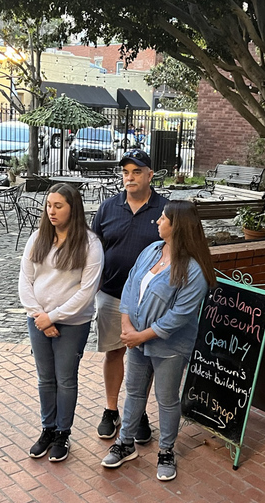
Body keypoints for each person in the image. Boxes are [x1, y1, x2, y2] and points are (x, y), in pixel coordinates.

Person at [100, 200, 216, 481]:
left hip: (169, 347)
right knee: (135, 392)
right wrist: (127, 325)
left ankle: (166, 450)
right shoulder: (151, 251)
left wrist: (141, 335)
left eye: (163, 218)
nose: (157, 221)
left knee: (166, 400)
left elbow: (178, 316)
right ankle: (125, 443)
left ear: (177, 226)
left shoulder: (193, 271)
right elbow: (129, 285)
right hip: (137, 340)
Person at [19, 183, 104, 462]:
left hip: (73, 323)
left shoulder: (90, 244)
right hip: (38, 318)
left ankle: (62, 434)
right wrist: (39, 316)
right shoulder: (38, 239)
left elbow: (86, 292)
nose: (51, 211)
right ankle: (47, 428)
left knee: (65, 379)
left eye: (59, 206)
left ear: (73, 208)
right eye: (49, 205)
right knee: (46, 378)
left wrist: (51, 317)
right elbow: (25, 280)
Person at [91, 149, 169, 442]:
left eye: (137, 171)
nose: (130, 177)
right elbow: (92, 249)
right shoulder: (108, 208)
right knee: (114, 351)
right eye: (125, 172)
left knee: (144, 356)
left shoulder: (165, 209)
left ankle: (138, 412)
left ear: (150, 174)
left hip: (150, 301)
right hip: (111, 295)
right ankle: (111, 410)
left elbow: (177, 250)